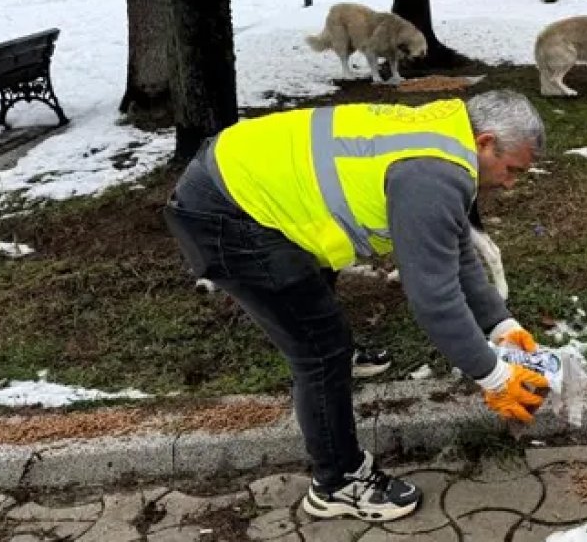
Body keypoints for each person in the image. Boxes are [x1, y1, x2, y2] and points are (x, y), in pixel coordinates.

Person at [163, 90, 550, 522]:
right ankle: (337, 483)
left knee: (322, 330)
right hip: (226, 213)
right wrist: (494, 376)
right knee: (320, 350)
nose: (511, 183)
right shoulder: (434, 175)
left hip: (246, 178)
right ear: (485, 142)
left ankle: (339, 366)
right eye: (512, 170)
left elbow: (455, 249)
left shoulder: (447, 137)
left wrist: (501, 325)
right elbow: (435, 300)